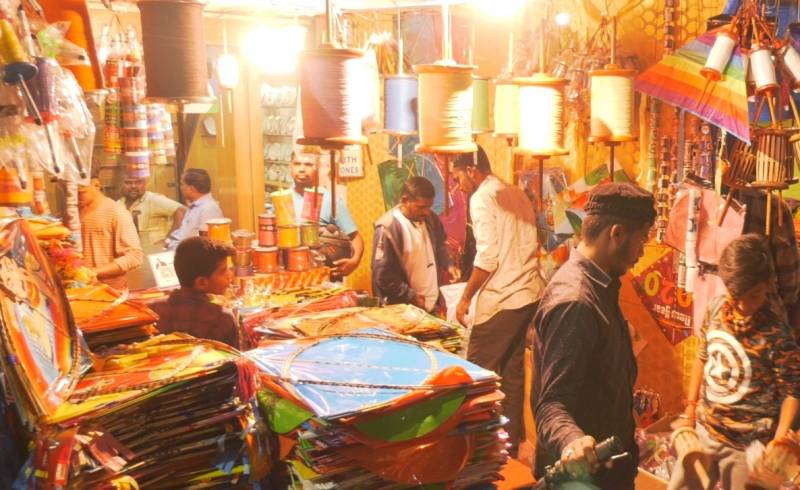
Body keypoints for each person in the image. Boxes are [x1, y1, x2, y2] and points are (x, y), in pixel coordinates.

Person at [532, 182, 656, 489]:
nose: (641, 253)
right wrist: (573, 442)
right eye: (641, 240)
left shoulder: (601, 285)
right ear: (616, 234)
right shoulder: (575, 301)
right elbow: (551, 405)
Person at [669, 234, 800, 490]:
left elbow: (791, 391)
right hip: (705, 431)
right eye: (735, 294)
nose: (743, 305)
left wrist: (780, 436)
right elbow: (702, 356)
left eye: (753, 295)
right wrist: (691, 408)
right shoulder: (716, 308)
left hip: (745, 446)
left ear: (767, 285)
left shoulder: (777, 334)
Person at [452, 145, 544, 456]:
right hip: (528, 295)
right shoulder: (515, 192)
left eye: (457, 177)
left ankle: (476, 453)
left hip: (502, 298)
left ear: (470, 170)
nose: (458, 186)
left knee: (476, 379)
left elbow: (488, 257)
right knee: (512, 377)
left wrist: (465, 298)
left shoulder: (481, 197)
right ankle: (507, 450)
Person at [372, 176, 455, 312]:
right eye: (421, 207)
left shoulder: (430, 218)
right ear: (405, 201)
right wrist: (410, 295)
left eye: (429, 207)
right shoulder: (387, 228)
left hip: (430, 305)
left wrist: (449, 264)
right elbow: (382, 275)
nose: (426, 212)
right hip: (402, 310)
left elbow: (440, 244)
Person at [150, 236, 240, 349]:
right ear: (201, 282)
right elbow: (236, 363)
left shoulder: (153, 309)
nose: (230, 275)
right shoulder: (222, 318)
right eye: (223, 271)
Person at [291, 151, 363, 277]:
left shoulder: (330, 200)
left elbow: (356, 237)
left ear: (318, 168)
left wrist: (354, 261)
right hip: (289, 273)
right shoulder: (283, 198)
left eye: (308, 164)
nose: (302, 169)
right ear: (290, 167)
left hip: (321, 274)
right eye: (297, 164)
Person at [78, 178, 144, 290]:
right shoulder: (73, 212)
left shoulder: (116, 212)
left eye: (81, 192)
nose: (74, 197)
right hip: (79, 290)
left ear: (96, 185)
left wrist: (93, 272)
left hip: (109, 292)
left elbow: (135, 256)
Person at [118, 177, 186, 252]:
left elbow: (182, 211)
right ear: (121, 185)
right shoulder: (117, 205)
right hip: (132, 255)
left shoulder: (153, 199)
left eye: (138, 183)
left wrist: (168, 240)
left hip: (157, 254)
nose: (133, 186)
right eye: (128, 183)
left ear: (145, 184)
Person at [167, 168, 224, 249]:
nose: (181, 188)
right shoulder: (194, 206)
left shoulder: (209, 209)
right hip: (174, 250)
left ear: (191, 188)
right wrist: (168, 242)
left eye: (182, 184)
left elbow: (205, 245)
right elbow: (183, 235)